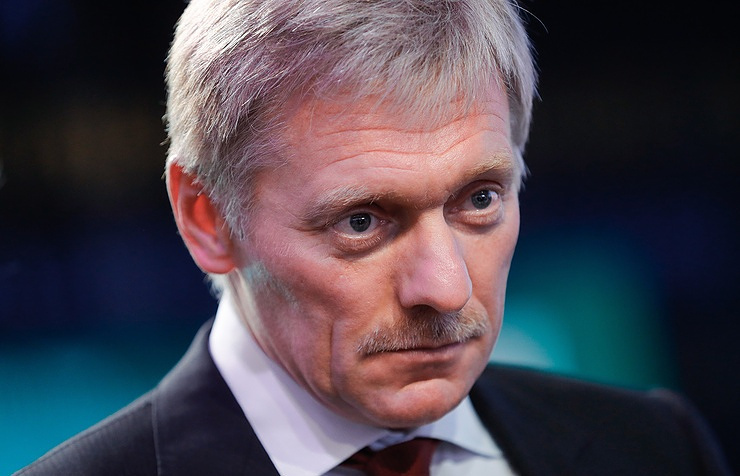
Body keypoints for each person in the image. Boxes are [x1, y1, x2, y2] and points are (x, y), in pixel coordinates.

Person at [16, 0, 731, 475]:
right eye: (362, 221)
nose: (445, 288)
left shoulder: (655, 449)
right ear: (208, 218)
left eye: (480, 200)